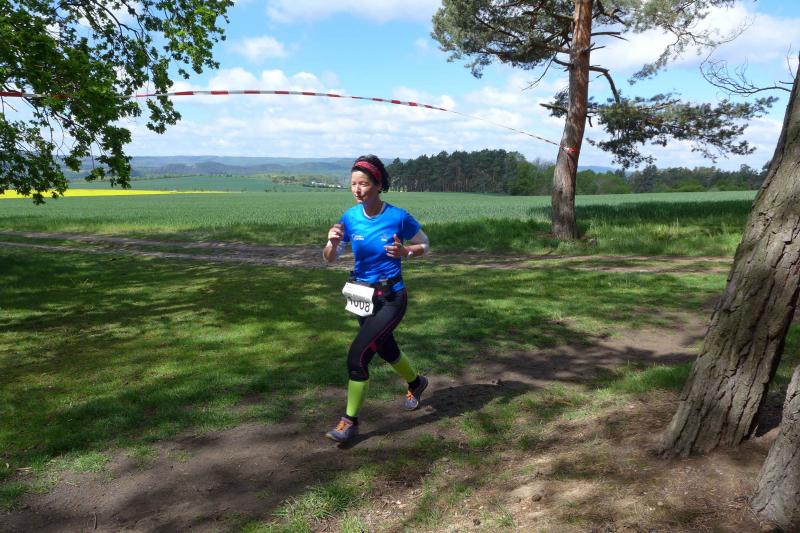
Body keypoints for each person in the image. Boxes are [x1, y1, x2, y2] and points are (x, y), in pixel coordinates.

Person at [323, 154, 430, 443]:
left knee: (357, 357)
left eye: (364, 184)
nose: (357, 190)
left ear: (378, 185)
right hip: (362, 296)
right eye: (353, 184)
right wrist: (332, 243)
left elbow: (425, 243)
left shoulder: (397, 216)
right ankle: (417, 382)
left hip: (392, 297)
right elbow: (330, 258)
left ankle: (349, 421)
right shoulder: (350, 217)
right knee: (386, 349)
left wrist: (407, 252)